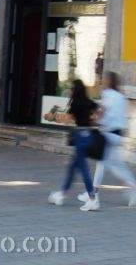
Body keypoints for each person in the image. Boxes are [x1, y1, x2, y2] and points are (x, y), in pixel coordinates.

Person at [78, 71, 136, 208]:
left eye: (104, 79)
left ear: (109, 81)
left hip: (108, 134)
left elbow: (101, 111)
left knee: (114, 167)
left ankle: (94, 194)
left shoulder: (107, 94)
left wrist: (91, 122)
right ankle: (95, 192)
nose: (102, 81)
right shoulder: (121, 97)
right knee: (107, 164)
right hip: (117, 135)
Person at [48, 79, 100, 211]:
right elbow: (100, 111)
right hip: (88, 136)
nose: (70, 91)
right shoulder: (88, 102)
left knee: (83, 169)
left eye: (71, 89)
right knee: (72, 167)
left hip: (80, 138)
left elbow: (66, 120)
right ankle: (61, 194)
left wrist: (53, 116)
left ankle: (92, 199)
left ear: (74, 90)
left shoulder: (76, 103)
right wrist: (93, 121)